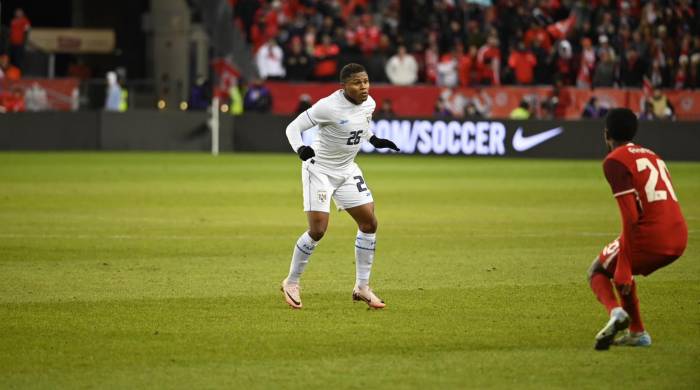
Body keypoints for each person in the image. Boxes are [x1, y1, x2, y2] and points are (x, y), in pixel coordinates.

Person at [282, 63, 399, 310]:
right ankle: (292, 282)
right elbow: (293, 127)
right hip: (319, 169)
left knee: (369, 223)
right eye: (357, 82)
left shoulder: (370, 103)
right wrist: (300, 148)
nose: (364, 86)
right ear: (344, 86)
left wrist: (373, 139)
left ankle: (362, 287)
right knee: (318, 230)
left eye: (366, 81)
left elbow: (362, 125)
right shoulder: (328, 106)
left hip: (347, 170)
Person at [588, 108, 687, 350]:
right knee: (619, 260)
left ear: (606, 133)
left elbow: (630, 217)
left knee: (597, 271)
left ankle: (618, 314)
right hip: (679, 235)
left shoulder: (614, 161)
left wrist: (623, 265)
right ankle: (637, 332)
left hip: (653, 236)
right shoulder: (653, 155)